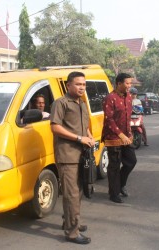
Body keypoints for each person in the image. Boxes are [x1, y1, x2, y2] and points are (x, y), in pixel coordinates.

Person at [50, 71, 95, 244]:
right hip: (67, 155)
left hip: (82, 155)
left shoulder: (82, 103)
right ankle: (72, 232)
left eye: (84, 84)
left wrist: (89, 136)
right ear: (68, 85)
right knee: (71, 194)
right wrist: (79, 138)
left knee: (79, 191)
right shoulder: (61, 103)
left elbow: (84, 126)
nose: (81, 87)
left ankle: (70, 221)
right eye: (78, 84)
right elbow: (55, 127)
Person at [102, 73, 137, 203]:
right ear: (119, 83)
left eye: (130, 83)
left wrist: (129, 134)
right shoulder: (110, 98)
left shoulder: (129, 97)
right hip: (113, 138)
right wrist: (121, 135)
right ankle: (114, 193)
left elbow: (128, 117)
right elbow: (109, 120)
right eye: (127, 83)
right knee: (114, 166)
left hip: (127, 137)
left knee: (131, 161)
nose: (129, 86)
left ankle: (121, 184)